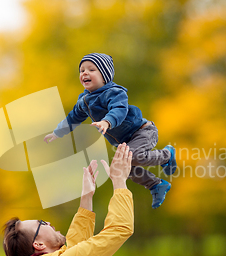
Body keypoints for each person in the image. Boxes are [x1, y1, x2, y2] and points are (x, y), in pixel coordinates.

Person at [43, 53, 177, 209]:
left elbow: (119, 109)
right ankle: (156, 185)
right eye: (82, 70)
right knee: (121, 168)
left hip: (143, 131)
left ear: (104, 76)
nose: (85, 73)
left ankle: (167, 155)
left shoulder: (114, 92)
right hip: (125, 142)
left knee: (134, 157)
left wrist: (107, 121)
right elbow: (73, 118)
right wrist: (57, 132)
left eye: (91, 69)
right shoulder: (83, 101)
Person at [4, 143, 135, 256]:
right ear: (38, 244)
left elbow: (73, 250)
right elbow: (120, 229)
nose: (48, 223)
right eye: (41, 224)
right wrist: (119, 182)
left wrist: (86, 198)